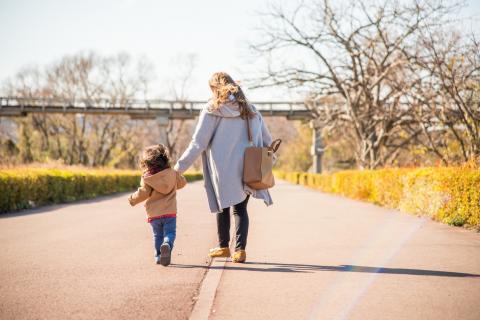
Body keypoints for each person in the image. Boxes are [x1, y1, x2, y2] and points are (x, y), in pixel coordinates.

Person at [174, 72, 274, 263]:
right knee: (240, 209)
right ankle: (240, 250)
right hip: (249, 169)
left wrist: (178, 169)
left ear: (214, 89)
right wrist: (268, 162)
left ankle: (223, 247)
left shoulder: (213, 110)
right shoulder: (251, 111)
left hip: (222, 168)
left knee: (223, 206)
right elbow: (268, 142)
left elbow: (198, 143)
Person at [128, 144, 187, 266]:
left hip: (154, 214)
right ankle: (167, 243)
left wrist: (132, 199)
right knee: (170, 233)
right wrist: (176, 176)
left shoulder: (148, 178)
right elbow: (182, 183)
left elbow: (143, 193)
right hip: (170, 212)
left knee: (157, 235)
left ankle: (159, 256)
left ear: (147, 163)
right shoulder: (173, 173)